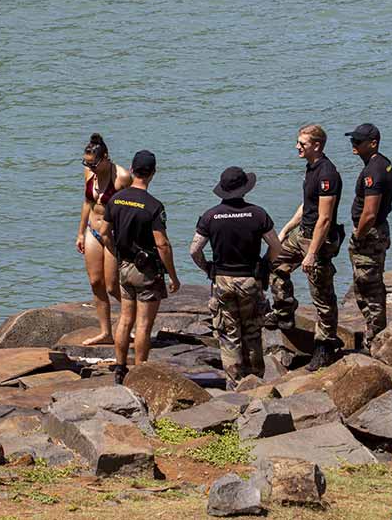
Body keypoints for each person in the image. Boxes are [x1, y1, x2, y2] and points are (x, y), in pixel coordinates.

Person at [190, 167, 282, 389]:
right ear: (244, 188)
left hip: (222, 279)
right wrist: (264, 264)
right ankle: (256, 383)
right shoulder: (258, 214)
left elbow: (194, 250)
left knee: (228, 333)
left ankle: (234, 384)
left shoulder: (210, 216)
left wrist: (208, 268)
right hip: (250, 279)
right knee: (252, 331)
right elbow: (276, 247)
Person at [96, 150, 180, 384]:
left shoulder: (116, 199)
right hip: (147, 271)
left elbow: (104, 232)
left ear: (132, 170)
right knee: (143, 323)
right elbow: (162, 244)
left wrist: (116, 253)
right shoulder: (153, 206)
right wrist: (173, 275)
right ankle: (140, 371)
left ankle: (120, 368)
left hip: (125, 267)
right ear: (153, 173)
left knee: (125, 319)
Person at [267, 124, 345, 371]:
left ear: (317, 146)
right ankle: (284, 311)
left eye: (302, 144)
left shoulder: (327, 174)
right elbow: (307, 205)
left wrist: (311, 254)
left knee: (321, 293)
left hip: (319, 240)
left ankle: (325, 346)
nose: (297, 147)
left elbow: (324, 218)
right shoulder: (311, 168)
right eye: (298, 143)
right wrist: (287, 228)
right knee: (274, 262)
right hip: (302, 233)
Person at [76, 134, 132, 346]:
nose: (90, 167)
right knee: (95, 282)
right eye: (86, 163)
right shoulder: (89, 173)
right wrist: (80, 232)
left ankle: (131, 319)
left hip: (113, 234)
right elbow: (87, 202)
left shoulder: (122, 178)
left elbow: (130, 209)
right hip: (93, 230)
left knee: (112, 286)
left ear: (106, 157)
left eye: (93, 163)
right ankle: (105, 332)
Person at [345, 123, 392, 347]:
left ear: (373, 143)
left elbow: (370, 212)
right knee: (371, 284)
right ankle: (376, 332)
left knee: (367, 287)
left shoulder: (374, 171)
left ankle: (375, 338)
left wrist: (358, 235)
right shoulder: (381, 164)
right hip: (378, 230)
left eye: (358, 141)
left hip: (369, 234)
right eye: (352, 140)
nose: (353, 144)